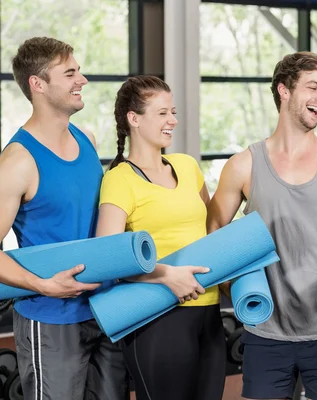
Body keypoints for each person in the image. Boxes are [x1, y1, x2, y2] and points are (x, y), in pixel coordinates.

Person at [207, 51, 317, 400]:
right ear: (284, 90)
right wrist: (239, 291)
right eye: (313, 87)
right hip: (266, 332)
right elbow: (215, 234)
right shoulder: (242, 165)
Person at [0, 37, 128, 399]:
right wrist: (42, 285)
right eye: (70, 73)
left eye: (79, 70)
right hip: (50, 318)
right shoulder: (17, 162)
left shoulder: (85, 138)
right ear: (37, 85)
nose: (82, 80)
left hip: (104, 312)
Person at [94, 75, 226, 400]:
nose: (173, 121)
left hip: (208, 310)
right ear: (134, 118)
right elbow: (106, 259)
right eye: (163, 113)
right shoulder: (119, 180)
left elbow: (212, 232)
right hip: (158, 317)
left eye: (174, 111)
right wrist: (167, 276)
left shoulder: (187, 165)